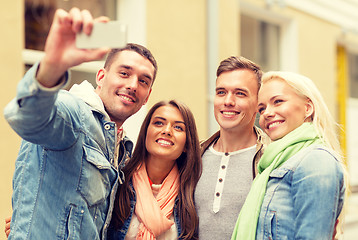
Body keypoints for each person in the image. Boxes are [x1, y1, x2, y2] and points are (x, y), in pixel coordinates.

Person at [4, 8, 157, 240]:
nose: (133, 85)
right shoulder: (74, 112)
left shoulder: (122, 147)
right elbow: (27, 118)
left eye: (143, 81)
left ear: (147, 96)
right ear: (101, 76)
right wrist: (52, 65)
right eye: (124, 73)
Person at [232, 71, 346, 240]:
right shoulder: (274, 164)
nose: (267, 114)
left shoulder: (315, 160)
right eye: (261, 109)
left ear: (308, 108)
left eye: (278, 102)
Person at [194, 56, 270, 239]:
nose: (228, 101)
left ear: (258, 105)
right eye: (221, 92)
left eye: (240, 93)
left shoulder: (272, 160)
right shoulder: (193, 155)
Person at [107, 100, 202, 240]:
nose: (167, 131)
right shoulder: (118, 182)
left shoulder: (192, 195)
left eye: (178, 127)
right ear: (146, 132)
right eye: (159, 123)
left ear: (187, 145)